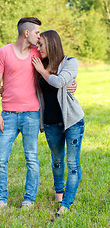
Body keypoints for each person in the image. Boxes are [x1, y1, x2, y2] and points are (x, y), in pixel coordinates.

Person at [0, 18, 77, 211]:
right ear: (26, 33)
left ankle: (29, 199)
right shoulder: (4, 52)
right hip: (8, 114)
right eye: (37, 33)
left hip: (31, 114)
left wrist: (72, 83)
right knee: (0, 159)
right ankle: (1, 199)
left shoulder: (37, 54)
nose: (40, 37)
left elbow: (60, 65)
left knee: (31, 158)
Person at [32, 30, 85, 216]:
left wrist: (42, 71)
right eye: (38, 45)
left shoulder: (71, 62)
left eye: (41, 45)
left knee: (72, 163)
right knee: (56, 160)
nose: (38, 49)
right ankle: (59, 194)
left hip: (72, 122)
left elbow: (59, 81)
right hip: (50, 123)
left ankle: (66, 205)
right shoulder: (39, 64)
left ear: (52, 44)